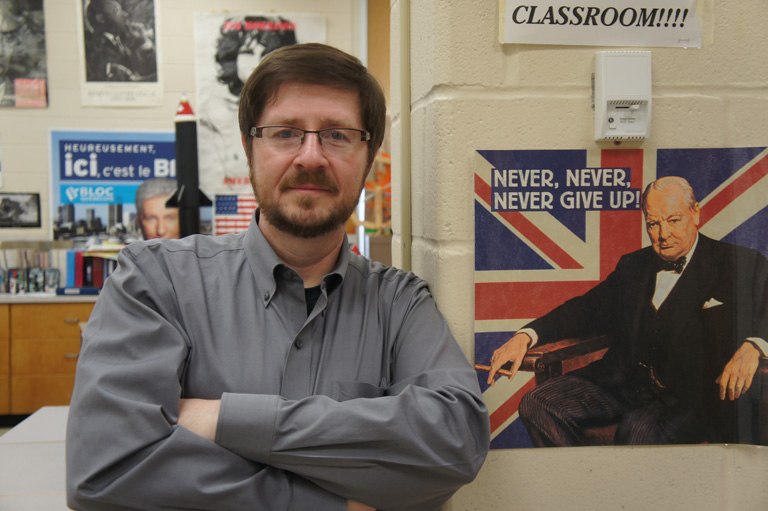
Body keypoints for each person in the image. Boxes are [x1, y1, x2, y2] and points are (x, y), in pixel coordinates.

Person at [66, 43, 490, 511]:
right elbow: (108, 471)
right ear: (250, 148)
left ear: (368, 158)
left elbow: (456, 440)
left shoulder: (401, 304)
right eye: (285, 133)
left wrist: (226, 419)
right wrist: (330, 502)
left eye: (337, 135)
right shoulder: (156, 281)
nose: (311, 156)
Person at [487, 176, 768, 446]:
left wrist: (754, 346)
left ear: (695, 214)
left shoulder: (738, 262)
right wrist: (525, 336)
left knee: (636, 433)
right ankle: (585, 482)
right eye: (653, 224)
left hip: (686, 400)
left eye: (673, 220)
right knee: (536, 404)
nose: (664, 234)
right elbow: (584, 309)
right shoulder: (632, 266)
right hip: (619, 384)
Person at [84, 0, 157, 82]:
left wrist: (143, 42)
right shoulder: (94, 48)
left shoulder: (123, 41)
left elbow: (148, 70)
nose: (125, 14)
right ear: (100, 18)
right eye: (116, 11)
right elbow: (129, 83)